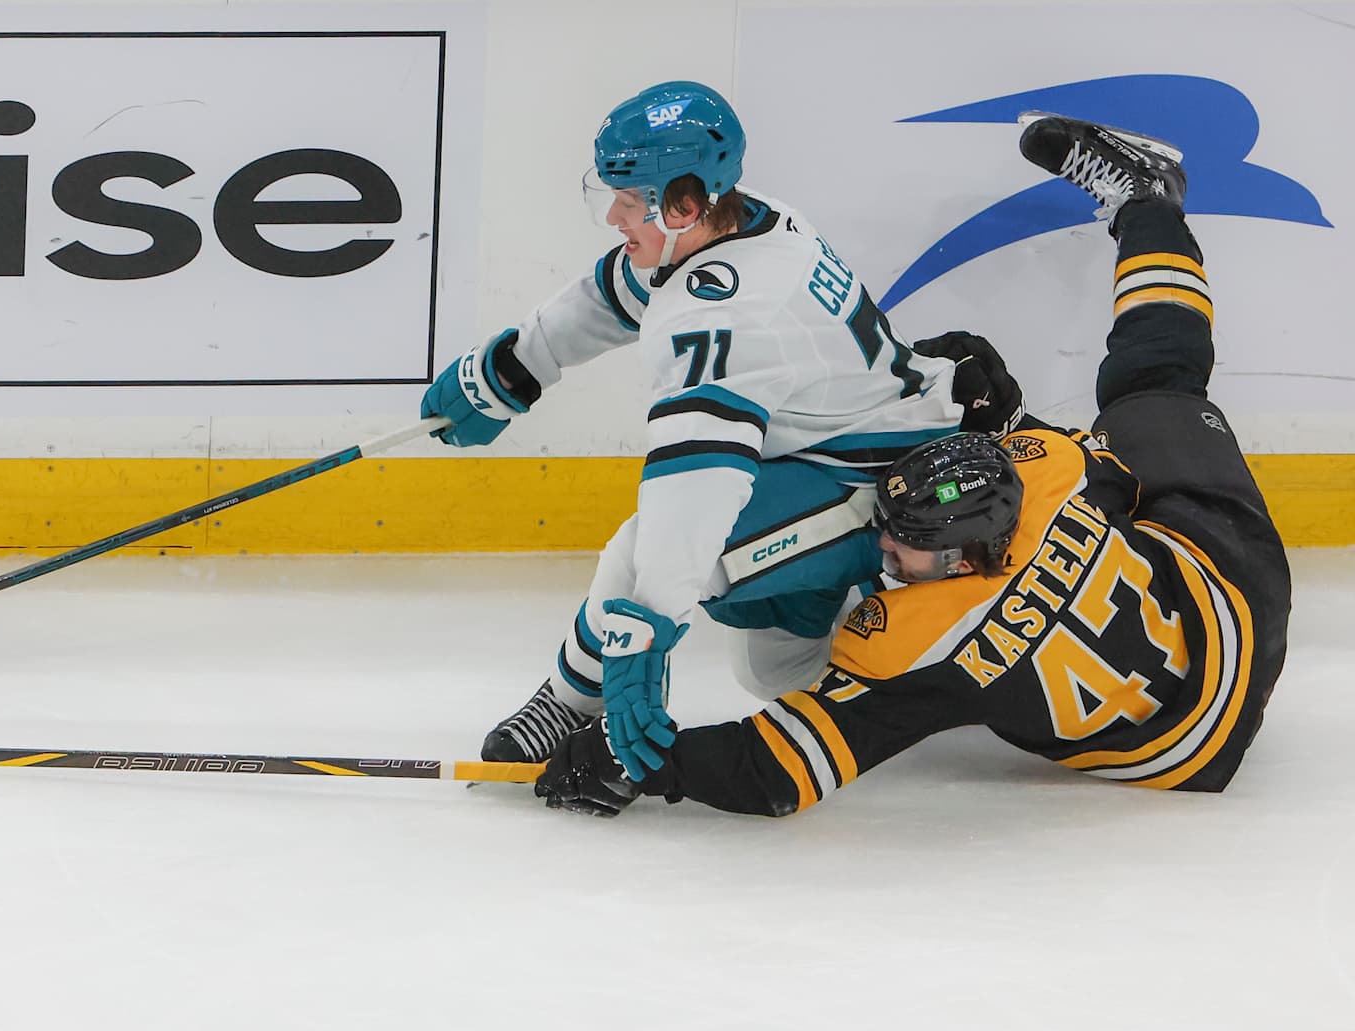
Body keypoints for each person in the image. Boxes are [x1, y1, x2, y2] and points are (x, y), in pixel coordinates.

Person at [534, 112, 1292, 817]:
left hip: (1195, 706)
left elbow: (777, 769)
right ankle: (1151, 205)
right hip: (1228, 592)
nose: (885, 545)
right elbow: (1100, 472)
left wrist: (655, 767)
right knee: (1154, 383)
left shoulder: (926, 647)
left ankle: (1148, 195)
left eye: (905, 547)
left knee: (1149, 380)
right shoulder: (1049, 474)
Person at [420, 81, 961, 781]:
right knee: (777, 676)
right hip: (846, 450)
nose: (614, 216)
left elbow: (693, 488)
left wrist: (644, 634)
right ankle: (865, 604)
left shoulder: (724, 317)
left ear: (684, 203)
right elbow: (623, 288)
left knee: (647, 550)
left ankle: (568, 701)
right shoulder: (748, 222)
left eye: (630, 199)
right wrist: (520, 365)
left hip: (881, 487)